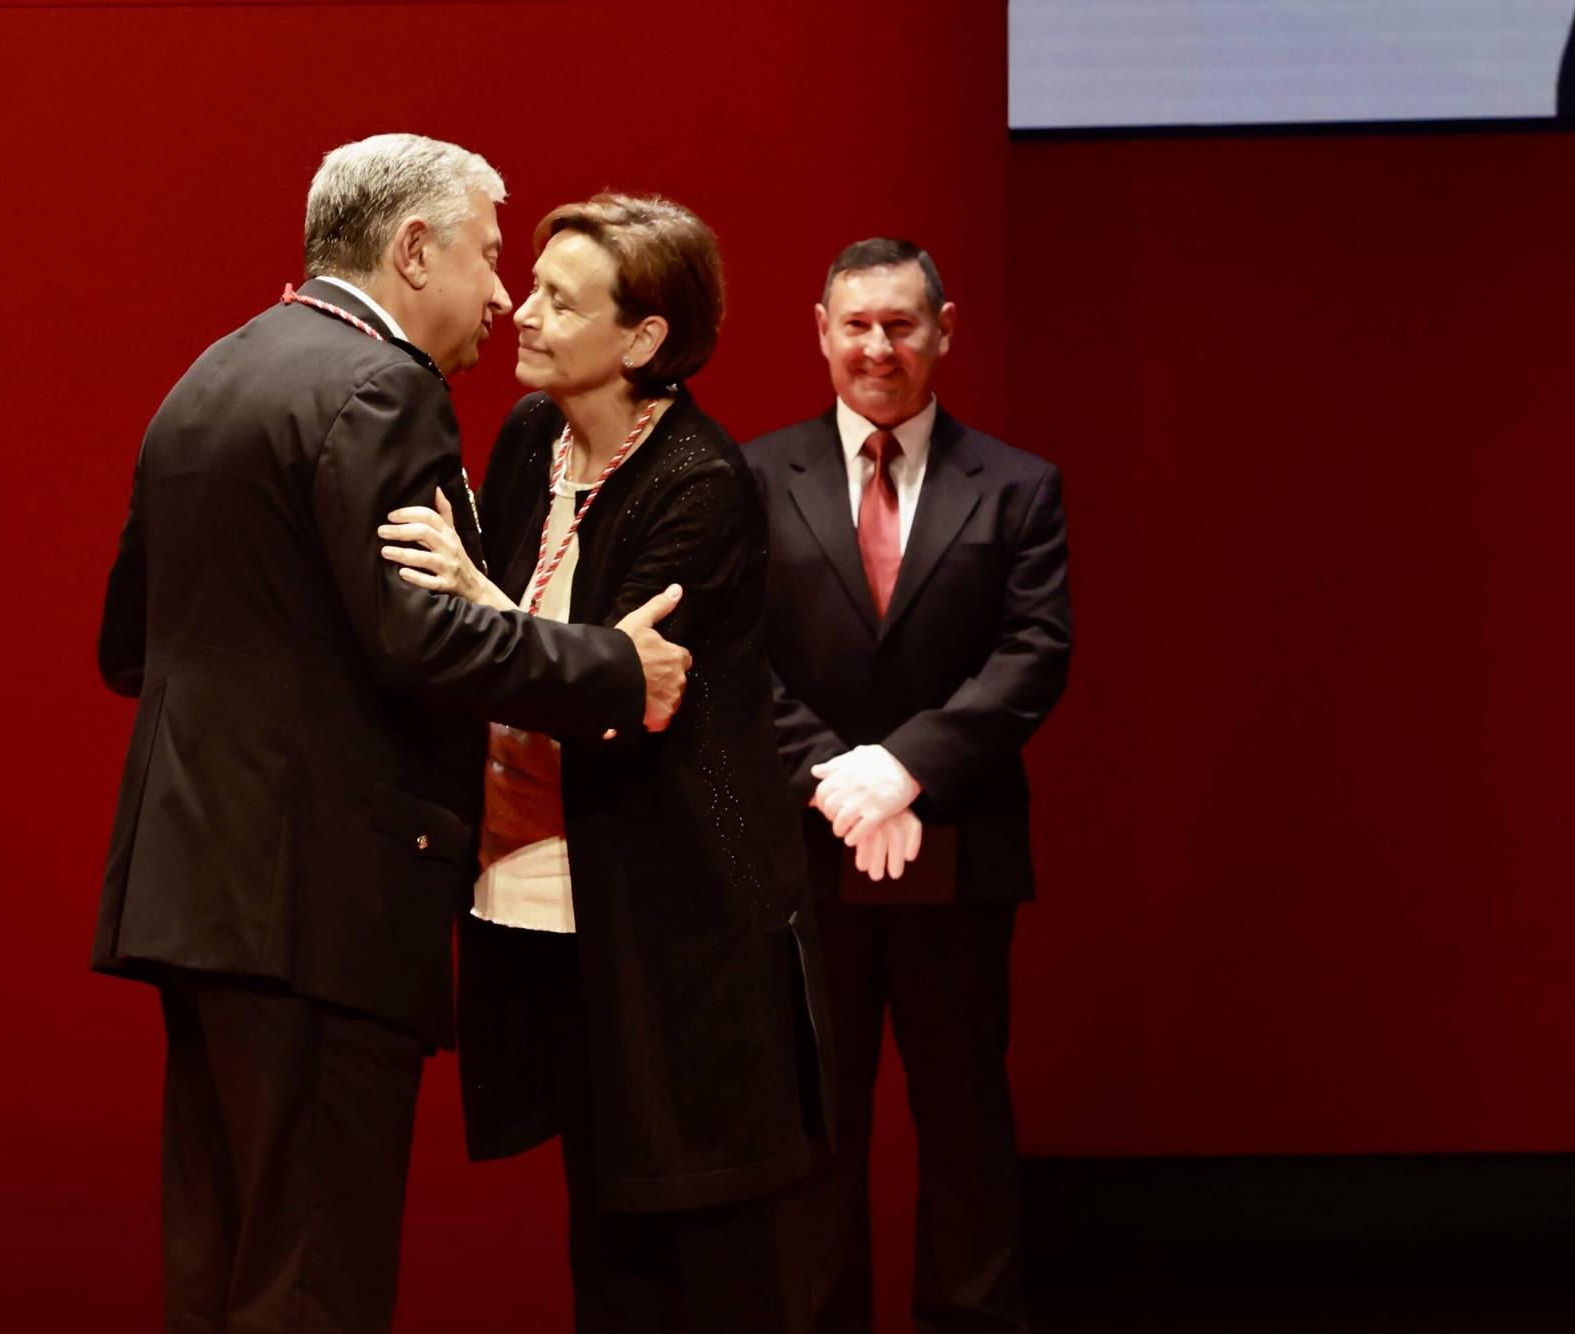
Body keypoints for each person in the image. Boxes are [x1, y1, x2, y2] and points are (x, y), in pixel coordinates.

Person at [92, 136, 694, 1334]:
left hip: (195, 892)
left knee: (224, 1265)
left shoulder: (212, 371)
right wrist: (614, 665)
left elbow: (126, 645)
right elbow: (416, 638)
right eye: (483, 256)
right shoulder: (384, 386)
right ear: (411, 249)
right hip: (320, 907)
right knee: (311, 1276)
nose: (499, 295)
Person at [377, 193, 827, 1333]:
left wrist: (476, 603)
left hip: (679, 918)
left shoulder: (699, 482)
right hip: (543, 908)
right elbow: (551, 663)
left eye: (556, 299)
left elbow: (619, 695)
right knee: (605, 1237)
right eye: (527, 285)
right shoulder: (531, 436)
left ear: (643, 339)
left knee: (700, 1242)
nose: (516, 312)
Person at [745, 239, 1071, 1334]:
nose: (876, 347)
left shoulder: (1019, 484)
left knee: (967, 1131)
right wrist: (836, 780)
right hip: (805, 852)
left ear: (943, 328)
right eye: (855, 325)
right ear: (819, 330)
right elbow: (734, 655)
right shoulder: (753, 476)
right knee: (811, 1137)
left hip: (960, 847)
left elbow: (1033, 655)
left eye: (900, 324)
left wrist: (905, 768)